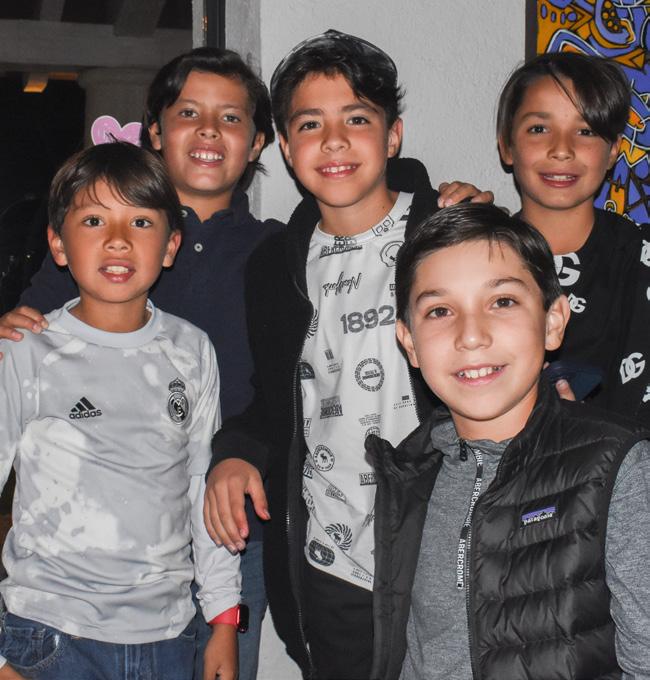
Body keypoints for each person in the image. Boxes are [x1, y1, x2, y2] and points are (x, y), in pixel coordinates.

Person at [204, 30, 493, 680]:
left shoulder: (451, 234)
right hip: (331, 568)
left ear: (393, 136)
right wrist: (236, 451)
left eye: (357, 119)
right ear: (285, 146)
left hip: (449, 554)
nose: (334, 140)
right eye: (310, 124)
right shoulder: (271, 268)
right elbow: (274, 404)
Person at [0, 47, 280, 680]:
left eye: (230, 117)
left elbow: (290, 387)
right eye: (188, 113)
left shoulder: (276, 251)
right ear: (155, 130)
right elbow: (28, 332)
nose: (208, 130)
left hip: (212, 556)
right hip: (58, 607)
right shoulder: (61, 300)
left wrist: (223, 616)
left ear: (259, 141)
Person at [368, 202, 650, 680]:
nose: (471, 336)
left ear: (553, 321)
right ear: (409, 342)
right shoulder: (410, 472)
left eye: (502, 302)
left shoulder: (617, 468)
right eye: (440, 310)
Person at [496, 51, 650, 423]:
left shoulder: (640, 257)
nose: (562, 149)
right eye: (539, 128)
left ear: (613, 151)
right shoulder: (476, 261)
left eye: (586, 131)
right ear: (506, 145)